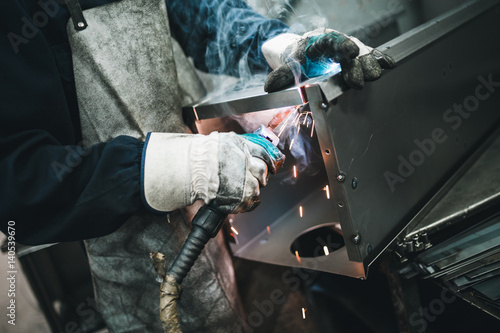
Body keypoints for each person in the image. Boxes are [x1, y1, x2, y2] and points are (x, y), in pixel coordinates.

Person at [0, 0, 393, 331]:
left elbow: (198, 11)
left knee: (279, 311)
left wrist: (275, 44)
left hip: (238, 231)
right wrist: (186, 165)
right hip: (143, 266)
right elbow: (16, 181)